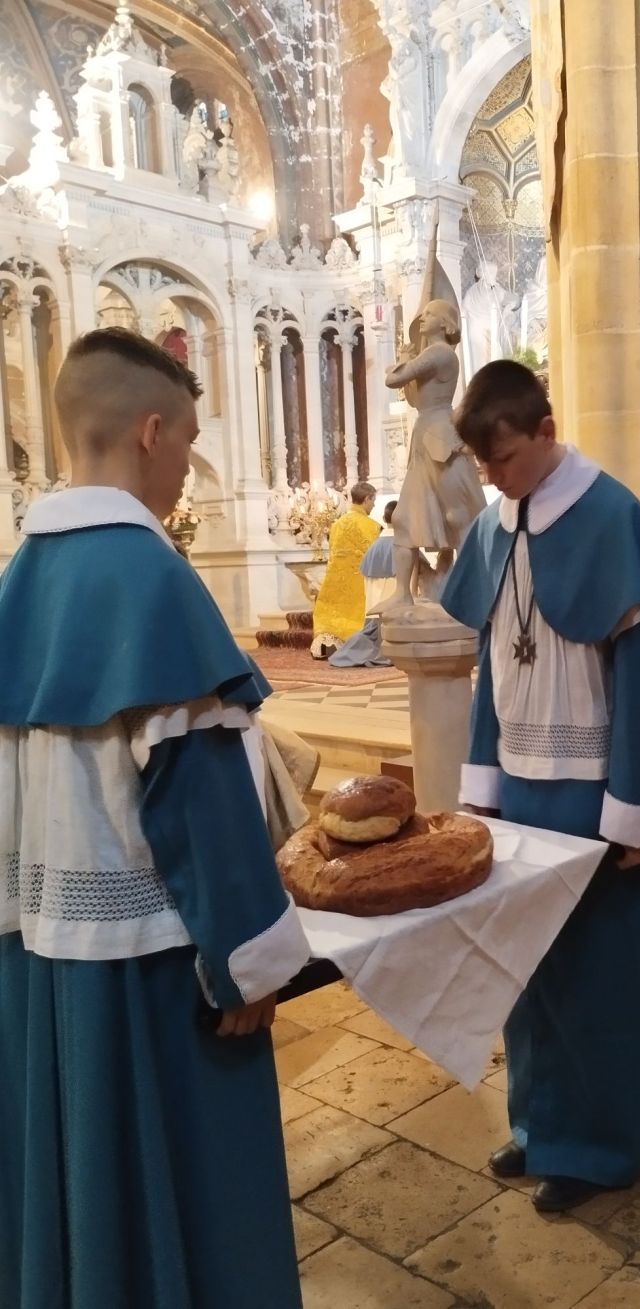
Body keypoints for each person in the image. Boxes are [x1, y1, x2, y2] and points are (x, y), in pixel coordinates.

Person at [0, 328, 311, 1308]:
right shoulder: (154, 580)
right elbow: (202, 799)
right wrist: (248, 962)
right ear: (149, 432)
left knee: (78, 1191)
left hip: (40, 957)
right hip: (154, 971)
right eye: (187, 440)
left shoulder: (17, 582)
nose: (186, 466)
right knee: (195, 1193)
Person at [440, 360, 640, 1214]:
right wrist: (480, 787)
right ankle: (541, 1124)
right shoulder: (494, 529)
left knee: (599, 975)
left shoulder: (613, 517)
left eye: (506, 457)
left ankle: (600, 1146)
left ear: (547, 431)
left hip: (596, 796)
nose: (494, 477)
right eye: (483, 463)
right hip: (521, 790)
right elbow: (492, 670)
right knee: (528, 971)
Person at [381, 300, 485, 608]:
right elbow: (415, 400)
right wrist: (406, 360)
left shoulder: (440, 352)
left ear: (445, 323)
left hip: (440, 436)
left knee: (458, 516)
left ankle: (474, 591)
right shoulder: (431, 355)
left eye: (429, 314)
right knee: (403, 518)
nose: (422, 318)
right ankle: (403, 593)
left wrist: (403, 361)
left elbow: (393, 379)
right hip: (424, 433)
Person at [310, 480, 380, 658]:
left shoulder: (337, 524)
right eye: (373, 500)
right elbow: (374, 556)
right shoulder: (371, 525)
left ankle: (328, 644)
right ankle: (354, 646)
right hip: (359, 582)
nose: (374, 505)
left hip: (334, 580)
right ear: (367, 499)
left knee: (332, 615)